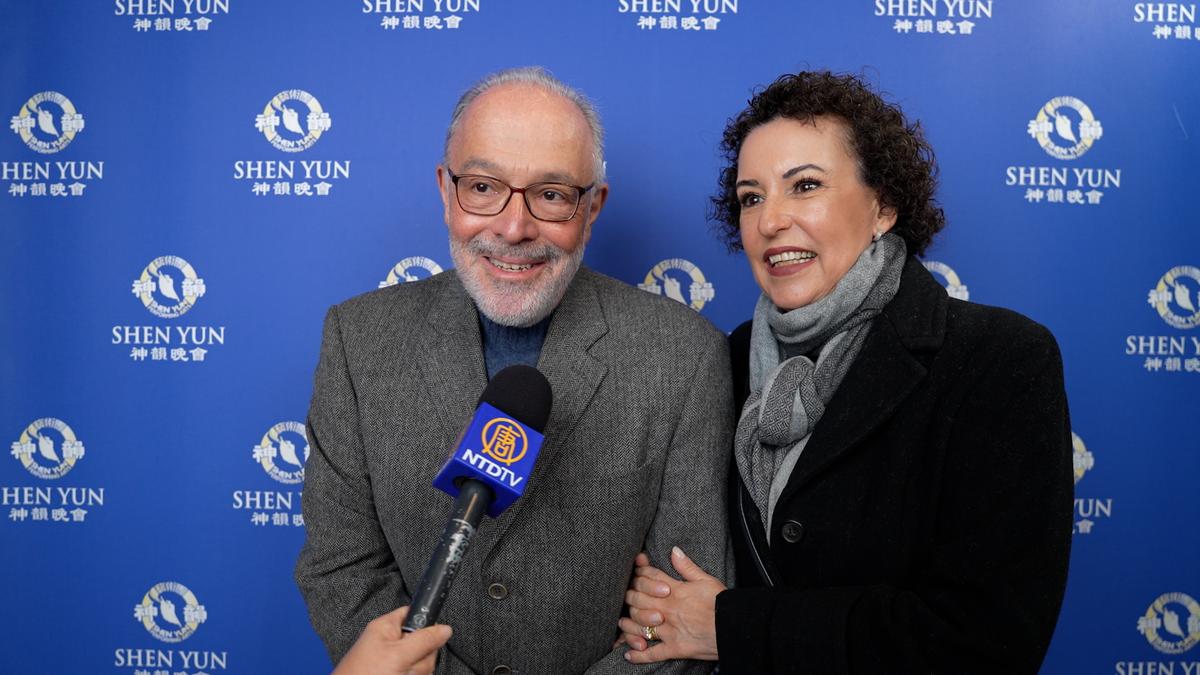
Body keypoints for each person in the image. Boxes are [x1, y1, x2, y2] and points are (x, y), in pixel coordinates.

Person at [619, 71, 1074, 674]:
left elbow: (987, 641)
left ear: (883, 206)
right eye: (751, 197)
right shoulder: (724, 359)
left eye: (804, 186)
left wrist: (731, 626)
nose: (770, 221)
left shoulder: (998, 358)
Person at [295, 66, 734, 674]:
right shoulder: (358, 340)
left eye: (551, 195)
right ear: (446, 190)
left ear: (593, 206)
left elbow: (676, 618)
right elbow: (342, 570)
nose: (513, 227)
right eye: (483, 187)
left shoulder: (685, 356)